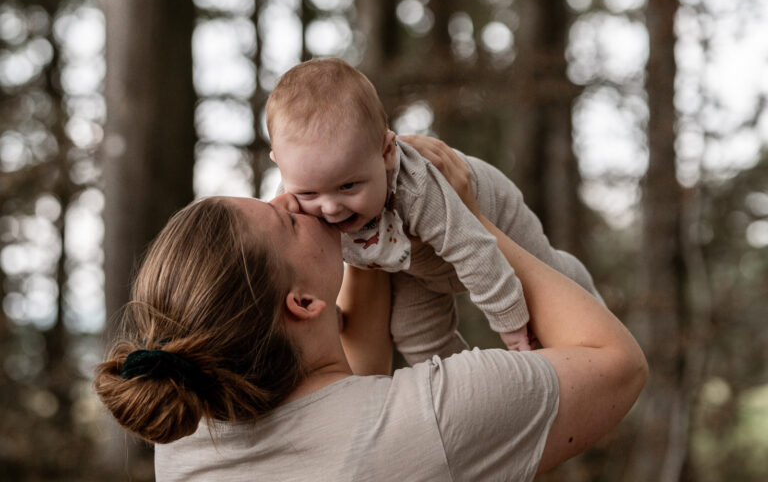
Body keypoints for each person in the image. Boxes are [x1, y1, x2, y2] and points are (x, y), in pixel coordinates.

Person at [93, 137, 647, 481]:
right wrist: (467, 222)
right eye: (285, 219)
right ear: (304, 303)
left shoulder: (190, 431)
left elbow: (349, 382)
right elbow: (616, 364)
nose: (290, 198)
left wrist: (370, 219)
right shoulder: (433, 421)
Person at [266, 58, 604, 361]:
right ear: (281, 168)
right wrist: (322, 316)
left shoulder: (415, 191)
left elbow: (473, 250)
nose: (329, 207)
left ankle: (580, 286)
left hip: (484, 223)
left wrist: (511, 325)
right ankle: (473, 400)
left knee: (543, 287)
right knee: (416, 337)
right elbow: (294, 267)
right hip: (416, 263)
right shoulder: (291, 208)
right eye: (309, 192)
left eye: (348, 186)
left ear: (386, 152)